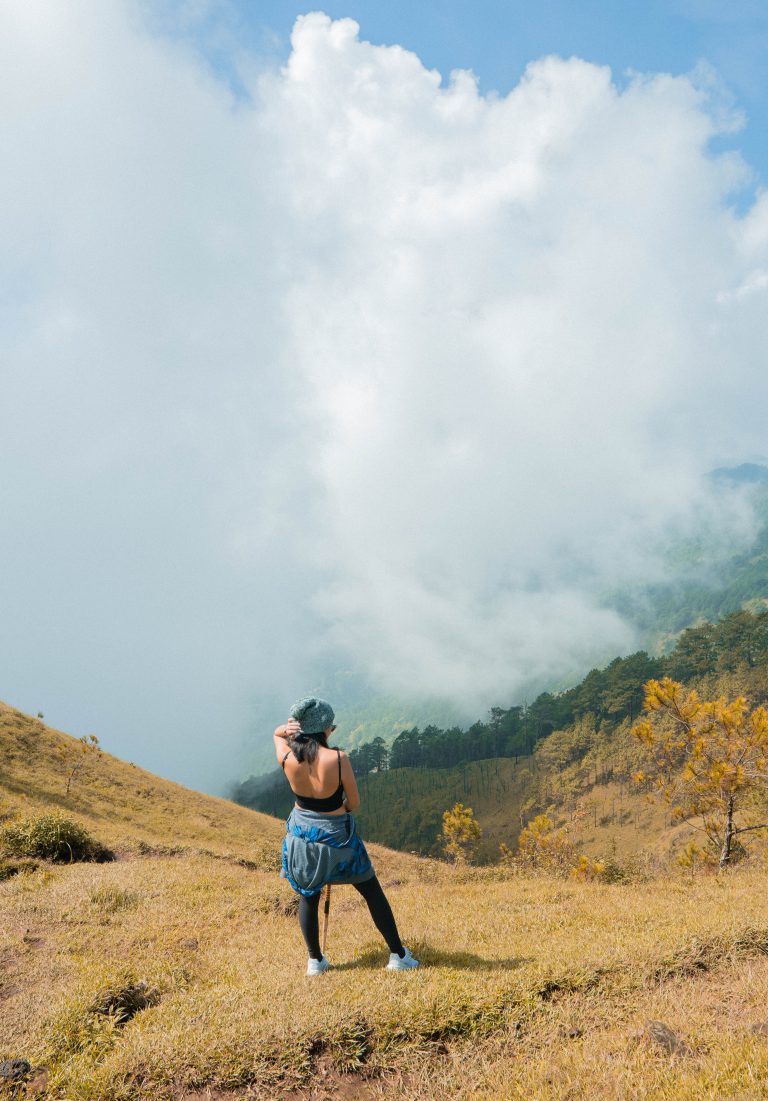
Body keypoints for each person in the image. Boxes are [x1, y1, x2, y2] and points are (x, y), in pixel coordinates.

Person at [274, 696, 419, 976]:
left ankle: (315, 961)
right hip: (338, 840)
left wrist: (289, 729)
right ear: (324, 729)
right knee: (372, 892)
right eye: (331, 727)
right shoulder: (338, 759)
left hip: (301, 838)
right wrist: (338, 810)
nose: (332, 731)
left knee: (308, 896)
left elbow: (277, 733)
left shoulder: (287, 757)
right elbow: (353, 802)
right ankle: (398, 955)